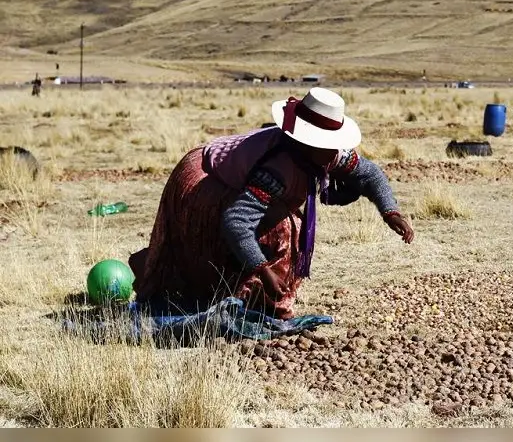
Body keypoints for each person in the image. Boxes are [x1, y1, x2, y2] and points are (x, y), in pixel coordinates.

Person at [128, 88, 414, 319]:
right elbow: (237, 221)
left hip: (232, 172)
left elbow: (370, 173)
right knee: (283, 227)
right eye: (324, 143)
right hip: (202, 177)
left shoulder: (328, 154)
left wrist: (390, 211)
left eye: (333, 143)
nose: (332, 151)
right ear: (307, 141)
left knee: (282, 224)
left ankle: (258, 295)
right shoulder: (278, 167)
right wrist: (262, 270)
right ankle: (255, 296)